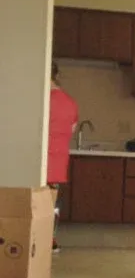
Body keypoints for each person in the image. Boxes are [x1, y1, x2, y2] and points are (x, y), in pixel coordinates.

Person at [48, 61, 79, 252]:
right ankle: (50, 240)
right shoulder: (70, 103)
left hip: (38, 163)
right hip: (58, 164)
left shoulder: (40, 99)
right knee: (53, 205)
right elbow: (71, 130)